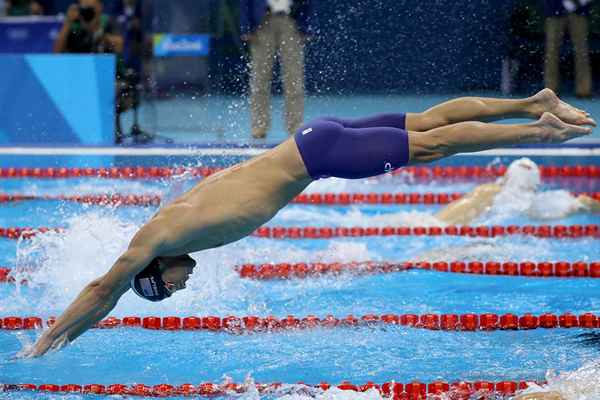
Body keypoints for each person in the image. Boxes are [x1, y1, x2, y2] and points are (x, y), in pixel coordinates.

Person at [25, 88, 595, 357]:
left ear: (154, 272)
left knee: (434, 143)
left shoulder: (160, 238)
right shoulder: (171, 221)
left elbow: (105, 289)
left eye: (167, 289)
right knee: (430, 119)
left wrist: (50, 339)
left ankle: (541, 129)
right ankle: (531, 101)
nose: (181, 288)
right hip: (311, 140)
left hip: (317, 157)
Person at [435, 157, 600, 225]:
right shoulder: (537, 203)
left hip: (431, 225)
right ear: (536, 185)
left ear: (506, 178)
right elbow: (584, 202)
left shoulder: (489, 191)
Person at [53, 0, 128, 143]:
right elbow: (56, 52)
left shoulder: (108, 23)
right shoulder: (74, 26)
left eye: (91, 7)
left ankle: (109, 135)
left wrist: (97, 31)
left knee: (108, 89)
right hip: (79, 79)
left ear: (100, 7)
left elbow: (119, 45)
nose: (88, 10)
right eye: (84, 7)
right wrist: (68, 23)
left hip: (109, 80)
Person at [241, 0, 313, 138]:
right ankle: (259, 125)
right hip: (262, 22)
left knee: (294, 78)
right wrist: (246, 26)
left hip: (291, 21)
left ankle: (295, 125)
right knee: (259, 78)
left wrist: (306, 25)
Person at [543, 0, 593, 97]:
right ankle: (550, 90)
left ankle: (584, 90)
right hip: (554, 8)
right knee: (551, 52)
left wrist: (576, 3)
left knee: (581, 51)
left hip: (579, 10)